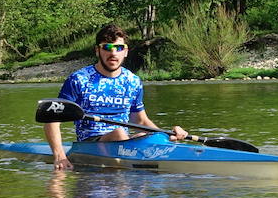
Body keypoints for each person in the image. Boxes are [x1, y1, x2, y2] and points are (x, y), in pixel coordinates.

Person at [44, 22, 187, 171]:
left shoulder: (133, 81)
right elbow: (52, 120)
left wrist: (166, 136)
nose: (113, 53)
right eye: (107, 47)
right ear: (97, 51)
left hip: (124, 144)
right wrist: (60, 156)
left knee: (150, 136)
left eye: (118, 48)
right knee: (119, 133)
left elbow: (140, 120)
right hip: (90, 144)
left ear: (125, 52)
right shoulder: (79, 79)